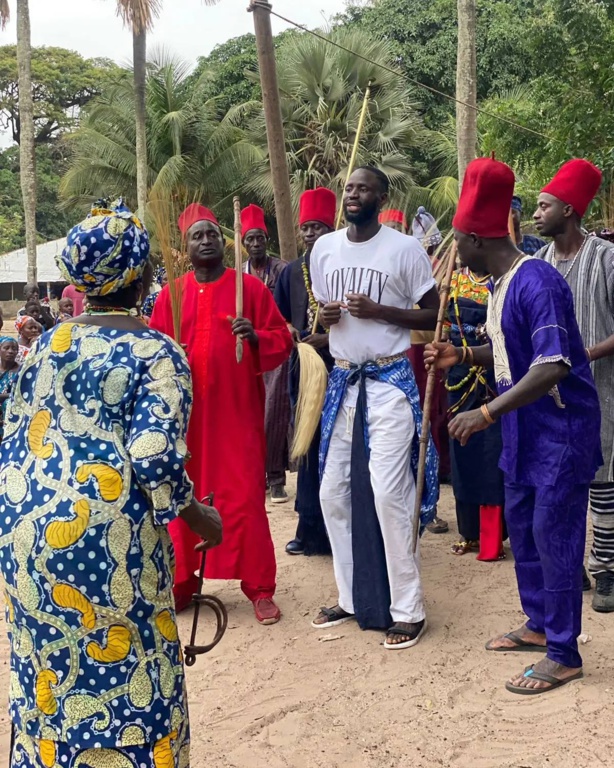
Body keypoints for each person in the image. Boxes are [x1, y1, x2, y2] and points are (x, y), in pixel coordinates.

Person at [1, 198, 223, 768]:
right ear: (143, 276)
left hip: (25, 535)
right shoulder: (155, 352)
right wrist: (198, 516)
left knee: (45, 664)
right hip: (106, 544)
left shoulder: (43, 347)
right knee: (132, 669)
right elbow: (152, 455)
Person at [426, 156, 602, 695]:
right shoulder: (502, 284)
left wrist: (485, 412)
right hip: (524, 433)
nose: (456, 258)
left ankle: (564, 652)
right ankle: (538, 624)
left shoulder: (538, 281)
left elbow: (550, 365)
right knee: (524, 532)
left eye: (458, 245)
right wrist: (464, 353)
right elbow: (508, 351)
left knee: (557, 538)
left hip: (560, 434)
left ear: (476, 241)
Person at [309, 166, 440, 650]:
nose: (353, 194)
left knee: (389, 492)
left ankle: (409, 608)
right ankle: (351, 597)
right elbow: (322, 313)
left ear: (381, 196)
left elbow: (432, 310)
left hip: (388, 379)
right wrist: (324, 318)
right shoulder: (323, 249)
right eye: (348, 187)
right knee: (332, 494)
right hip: (343, 378)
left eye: (363, 188)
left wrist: (381, 310)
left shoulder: (404, 249)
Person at [151, 203, 293, 624]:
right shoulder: (170, 296)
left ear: (223, 239)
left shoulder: (248, 289)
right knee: (182, 497)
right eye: (198, 235)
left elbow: (281, 339)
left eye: (213, 233)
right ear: (186, 246)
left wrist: (254, 338)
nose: (207, 240)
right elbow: (154, 353)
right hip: (187, 421)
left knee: (244, 498)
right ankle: (182, 581)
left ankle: (259, 587)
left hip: (236, 417)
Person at [534, 158, 614, 611]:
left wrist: (586, 354)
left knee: (603, 479)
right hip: (550, 395)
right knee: (561, 483)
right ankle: (573, 567)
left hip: (600, 390)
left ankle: (606, 571)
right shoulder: (539, 263)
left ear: (569, 210)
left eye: (544, 206)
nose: (536, 214)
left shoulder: (606, 259)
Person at [275, 187, 336, 556]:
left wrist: (327, 340)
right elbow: (277, 316)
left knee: (338, 450)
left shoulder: (344, 263)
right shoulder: (292, 271)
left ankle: (341, 532)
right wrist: (288, 330)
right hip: (306, 372)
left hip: (343, 369)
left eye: (318, 227)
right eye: (307, 228)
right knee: (309, 449)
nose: (311, 233)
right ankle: (309, 528)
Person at [444, 265, 505, 558]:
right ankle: (468, 533)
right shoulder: (452, 281)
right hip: (458, 377)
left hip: (495, 375)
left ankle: (492, 539)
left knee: (492, 456)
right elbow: (443, 327)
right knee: (463, 451)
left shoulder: (503, 278)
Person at [242, 204, 291, 504]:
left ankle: (276, 478)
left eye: (260, 238)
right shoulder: (239, 276)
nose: (256, 243)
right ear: (244, 243)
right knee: (250, 412)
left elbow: (288, 310)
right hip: (247, 350)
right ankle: (254, 474)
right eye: (250, 239)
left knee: (274, 412)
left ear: (266, 240)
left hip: (273, 346)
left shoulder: (282, 270)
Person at [409, 206, 451, 533]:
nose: (426, 249)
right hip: (400, 356)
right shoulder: (402, 265)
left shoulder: (444, 271)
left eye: (429, 244)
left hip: (429, 354)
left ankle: (430, 505)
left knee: (430, 424)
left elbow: (444, 316)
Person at [0, 338, 19, 440]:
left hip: (9, 410)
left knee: (8, 403)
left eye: (14, 349)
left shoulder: (21, 370)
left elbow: (20, 394)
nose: (10, 351)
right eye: (6, 348)